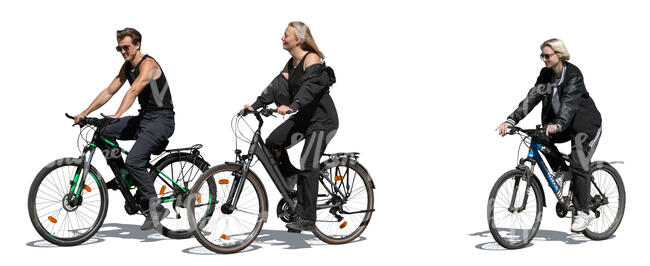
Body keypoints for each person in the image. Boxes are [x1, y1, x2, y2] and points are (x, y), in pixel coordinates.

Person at [495, 38, 602, 233]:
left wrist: (558, 124)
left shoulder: (573, 74)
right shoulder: (546, 74)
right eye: (541, 55)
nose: (543, 59)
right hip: (561, 125)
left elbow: (570, 102)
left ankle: (583, 212)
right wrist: (511, 120)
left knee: (579, 163)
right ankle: (561, 170)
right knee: (538, 137)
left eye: (547, 55)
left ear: (559, 55)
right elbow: (532, 97)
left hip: (585, 126)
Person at [73, 28, 174, 230]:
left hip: (161, 119)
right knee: (103, 132)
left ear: (137, 45)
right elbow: (110, 90)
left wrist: (118, 114)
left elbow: (134, 89)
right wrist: (84, 112)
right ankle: (124, 176)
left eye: (126, 47)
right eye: (119, 48)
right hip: (145, 118)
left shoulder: (149, 64)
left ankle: (157, 207)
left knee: (135, 161)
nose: (123, 51)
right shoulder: (127, 66)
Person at [244, 21, 338, 232]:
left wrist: (293, 106)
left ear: (298, 39)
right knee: (273, 143)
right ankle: (291, 177)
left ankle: (308, 218)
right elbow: (276, 86)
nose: (282, 38)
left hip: (322, 121)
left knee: (308, 161)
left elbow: (310, 88)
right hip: (304, 118)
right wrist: (255, 105)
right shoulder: (291, 63)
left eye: (286, 35)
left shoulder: (311, 59)